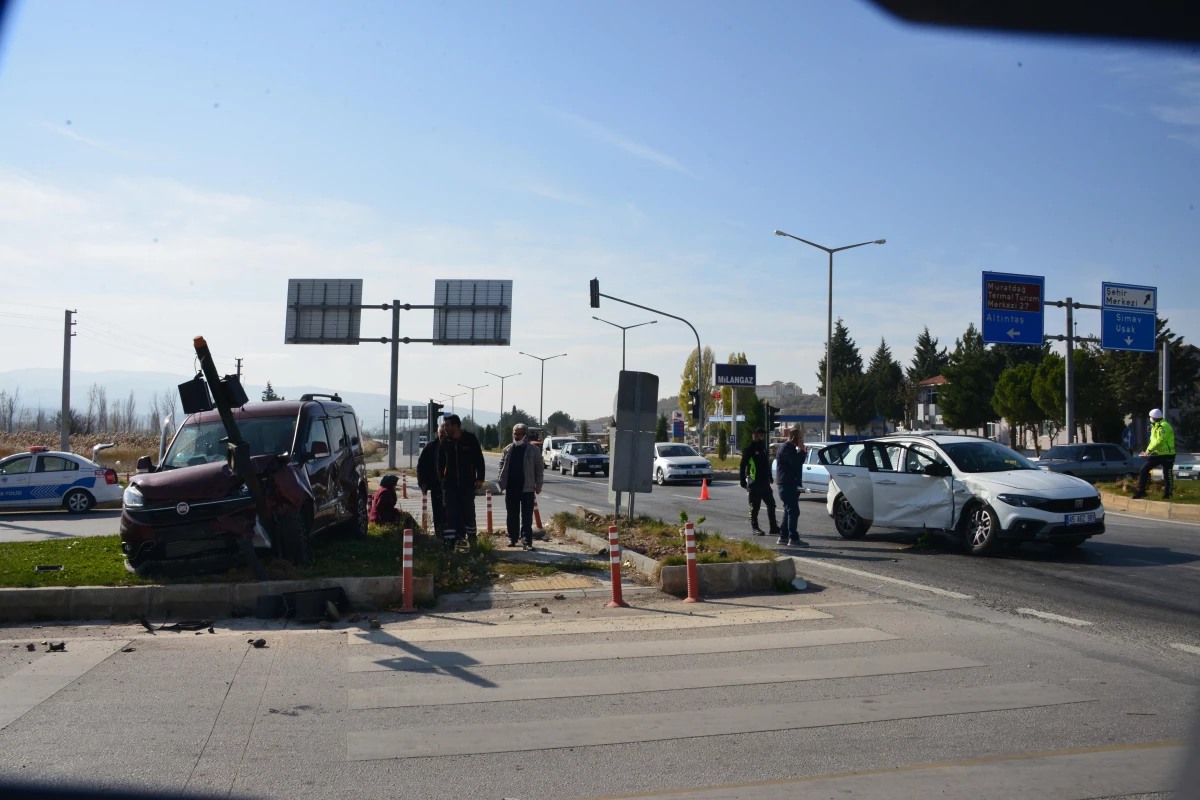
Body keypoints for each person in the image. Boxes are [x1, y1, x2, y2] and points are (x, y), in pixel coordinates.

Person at [438, 414, 486, 546]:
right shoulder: (445, 442)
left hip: (467, 484)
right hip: (450, 485)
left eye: (448, 425)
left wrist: (480, 478)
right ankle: (450, 543)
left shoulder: (470, 439)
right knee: (449, 514)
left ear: (456, 426)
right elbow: (440, 462)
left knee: (468, 512)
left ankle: (472, 540)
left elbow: (479, 460)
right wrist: (441, 478)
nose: (445, 428)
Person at [497, 423, 544, 549]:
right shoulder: (508, 449)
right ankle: (512, 538)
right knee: (512, 514)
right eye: (514, 434)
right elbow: (501, 464)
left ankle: (526, 541)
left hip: (527, 488)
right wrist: (501, 478)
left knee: (527, 516)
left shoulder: (533, 450)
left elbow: (539, 469)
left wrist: (539, 485)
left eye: (518, 434)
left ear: (525, 435)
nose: (516, 437)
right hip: (511, 488)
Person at [739, 427, 780, 539]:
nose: (762, 436)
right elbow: (742, 465)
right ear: (754, 435)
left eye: (763, 434)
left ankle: (773, 527)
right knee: (754, 506)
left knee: (771, 504)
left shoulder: (762, 447)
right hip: (754, 481)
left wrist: (770, 476)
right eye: (760, 434)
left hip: (764, 482)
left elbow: (766, 463)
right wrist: (742, 479)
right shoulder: (749, 448)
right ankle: (755, 527)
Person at [775, 428, 809, 547]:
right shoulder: (786, 449)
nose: (801, 441)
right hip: (787, 484)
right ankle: (793, 538)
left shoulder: (790, 449)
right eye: (800, 439)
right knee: (793, 511)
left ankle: (783, 537)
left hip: (789, 483)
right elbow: (794, 462)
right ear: (794, 438)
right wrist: (801, 451)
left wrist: (802, 452)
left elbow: (798, 462)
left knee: (788, 510)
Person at [1133, 408, 1176, 500]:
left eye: (1151, 417)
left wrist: (1149, 451)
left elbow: (1160, 441)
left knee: (1167, 474)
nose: (1150, 418)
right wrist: (1147, 451)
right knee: (1144, 470)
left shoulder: (1164, 426)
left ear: (1155, 417)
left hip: (1167, 455)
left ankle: (1168, 494)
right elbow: (1153, 441)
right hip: (1157, 454)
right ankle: (1141, 491)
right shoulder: (1155, 426)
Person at [416, 425, 447, 535]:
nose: (442, 434)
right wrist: (422, 482)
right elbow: (421, 465)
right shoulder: (431, 446)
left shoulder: (453, 445)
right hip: (436, 486)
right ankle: (439, 535)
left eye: (444, 432)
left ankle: (452, 537)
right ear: (437, 433)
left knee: (450, 513)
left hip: (451, 486)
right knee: (437, 511)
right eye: (440, 432)